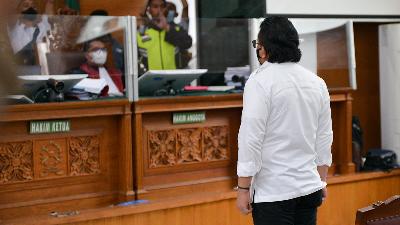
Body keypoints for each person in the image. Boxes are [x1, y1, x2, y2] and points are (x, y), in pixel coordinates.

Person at [236, 16, 333, 225]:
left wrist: (243, 188)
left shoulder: (260, 81)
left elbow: (250, 138)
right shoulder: (317, 83)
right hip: (309, 188)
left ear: (264, 48)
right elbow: (324, 137)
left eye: (258, 45)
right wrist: (321, 179)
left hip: (274, 193)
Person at [137, 0, 192, 73]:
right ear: (149, 9)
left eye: (162, 6)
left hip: (175, 79)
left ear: (166, 8)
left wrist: (167, 27)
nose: (159, 9)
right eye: (155, 6)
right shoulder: (141, 32)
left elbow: (187, 43)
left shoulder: (176, 28)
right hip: (150, 80)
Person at [8, 0, 54, 65]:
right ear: (18, 10)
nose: (30, 9)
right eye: (26, 6)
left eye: (34, 6)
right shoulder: (13, 29)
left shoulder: (43, 24)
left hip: (46, 67)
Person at [90, 9, 125, 73]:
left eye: (103, 22)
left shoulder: (115, 44)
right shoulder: (86, 45)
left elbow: (121, 68)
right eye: (96, 23)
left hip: (115, 79)